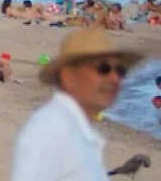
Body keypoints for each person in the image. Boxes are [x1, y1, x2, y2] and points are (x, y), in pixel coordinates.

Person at [10, 28, 142, 181]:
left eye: (120, 71)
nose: (114, 79)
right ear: (68, 76)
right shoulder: (51, 131)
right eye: (103, 69)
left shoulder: (75, 129)